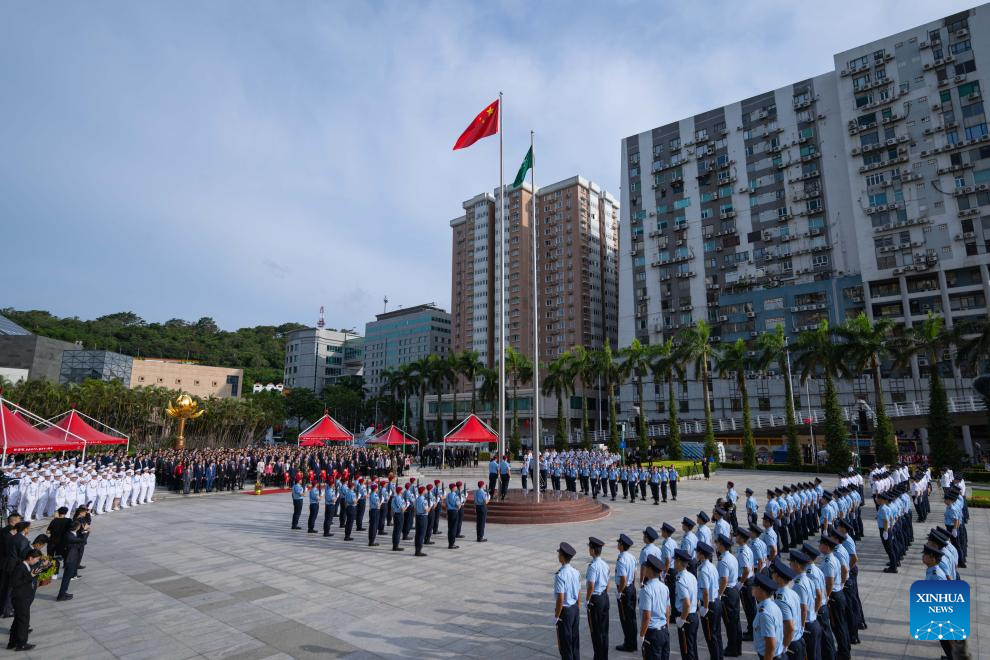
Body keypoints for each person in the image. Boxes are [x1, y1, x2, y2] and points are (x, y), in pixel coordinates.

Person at [7, 548, 41, 652]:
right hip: (20, 599)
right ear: (30, 558)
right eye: (36, 559)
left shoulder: (27, 566)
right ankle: (21, 643)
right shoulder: (20, 567)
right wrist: (30, 576)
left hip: (23, 598)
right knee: (23, 621)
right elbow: (15, 583)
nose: (37, 561)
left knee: (18, 621)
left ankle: (12, 643)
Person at [638, 554, 671, 660]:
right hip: (664, 631)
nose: (645, 569)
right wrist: (666, 628)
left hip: (652, 633)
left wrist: (642, 635)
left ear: (650, 570)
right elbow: (667, 611)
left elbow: (647, 616)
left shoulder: (646, 590)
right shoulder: (665, 588)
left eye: (646, 567)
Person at [695, 542, 723, 660]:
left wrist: (704, 607)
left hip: (709, 604)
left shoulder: (703, 569)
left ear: (701, 554)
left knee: (711, 637)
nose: (696, 554)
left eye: (697, 552)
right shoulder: (711, 566)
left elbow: (705, 591)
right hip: (716, 601)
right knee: (716, 635)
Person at [554, 542, 581, 660]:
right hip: (574, 608)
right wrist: (577, 607)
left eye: (559, 553)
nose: (558, 556)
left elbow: (560, 598)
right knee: (574, 641)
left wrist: (557, 615)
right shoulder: (576, 572)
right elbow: (579, 592)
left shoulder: (560, 575)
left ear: (562, 556)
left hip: (565, 611)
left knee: (565, 645)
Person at [585, 537, 610, 660]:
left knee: (596, 631)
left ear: (593, 550)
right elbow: (608, 581)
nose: (589, 550)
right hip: (604, 597)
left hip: (596, 600)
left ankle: (599, 657)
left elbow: (591, 585)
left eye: (590, 548)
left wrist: (587, 600)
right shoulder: (605, 564)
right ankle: (603, 656)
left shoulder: (593, 566)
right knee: (604, 630)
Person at [614, 533, 638, 653]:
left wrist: (619, 592)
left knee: (626, 619)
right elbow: (634, 574)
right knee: (632, 618)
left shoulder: (621, 559)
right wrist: (632, 587)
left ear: (622, 546)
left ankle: (629, 644)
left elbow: (623, 578)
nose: (617, 544)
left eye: (619, 543)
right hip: (631, 589)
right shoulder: (632, 557)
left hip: (624, 591)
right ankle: (633, 643)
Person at [673, 548, 699, 660]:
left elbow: (686, 603)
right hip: (693, 616)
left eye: (675, 560)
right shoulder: (691, 576)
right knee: (692, 648)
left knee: (687, 651)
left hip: (687, 617)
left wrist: (682, 619)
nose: (673, 562)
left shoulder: (680, 579)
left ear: (679, 562)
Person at [752, 573, 784, 660]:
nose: (752, 588)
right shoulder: (772, 605)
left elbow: (770, 645)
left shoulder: (765, 613)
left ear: (759, 589)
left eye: (754, 586)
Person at [56, 521, 88, 602]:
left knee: (68, 578)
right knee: (66, 578)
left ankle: (64, 592)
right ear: (76, 527)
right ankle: (61, 595)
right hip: (70, 560)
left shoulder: (72, 534)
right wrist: (86, 533)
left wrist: (84, 532)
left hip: (73, 558)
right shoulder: (69, 536)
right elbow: (82, 541)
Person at [390, 486, 407, 551]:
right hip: (399, 515)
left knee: (396, 530)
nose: (402, 491)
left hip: (396, 514)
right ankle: (395, 546)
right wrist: (407, 505)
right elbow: (402, 509)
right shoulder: (399, 498)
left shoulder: (394, 498)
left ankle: (395, 544)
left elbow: (392, 507)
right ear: (400, 491)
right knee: (398, 531)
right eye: (401, 490)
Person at [414, 486, 428, 557]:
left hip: (418, 516)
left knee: (417, 534)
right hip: (423, 516)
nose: (425, 491)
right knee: (421, 534)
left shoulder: (417, 499)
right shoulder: (424, 500)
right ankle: (419, 550)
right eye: (424, 490)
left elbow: (415, 508)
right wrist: (430, 506)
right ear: (422, 492)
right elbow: (426, 510)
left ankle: (416, 549)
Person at [445, 484, 460, 550]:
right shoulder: (456, 496)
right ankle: (452, 544)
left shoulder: (448, 495)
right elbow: (458, 506)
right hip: (454, 511)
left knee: (450, 528)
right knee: (453, 528)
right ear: (453, 488)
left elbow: (446, 504)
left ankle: (450, 543)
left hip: (449, 511)